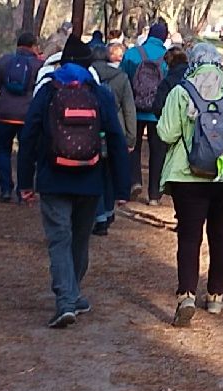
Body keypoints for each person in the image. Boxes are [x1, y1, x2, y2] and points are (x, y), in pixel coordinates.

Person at [16, 39, 134, 329]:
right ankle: (73, 293)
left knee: (59, 239)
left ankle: (66, 299)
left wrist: (24, 181)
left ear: (61, 63)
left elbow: (28, 135)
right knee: (80, 240)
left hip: (53, 178)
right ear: (87, 64)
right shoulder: (99, 94)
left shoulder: (47, 92)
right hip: (90, 179)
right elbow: (117, 141)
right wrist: (121, 187)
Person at [155, 43, 223, 327]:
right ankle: (215, 296)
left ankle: (187, 295)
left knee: (189, 237)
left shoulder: (180, 92)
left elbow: (166, 134)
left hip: (187, 177)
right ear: (219, 63)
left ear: (192, 63)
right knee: (220, 233)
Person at [0, 33, 43, 203]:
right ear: (33, 46)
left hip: (5, 114)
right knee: (26, 152)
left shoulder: (5, 61)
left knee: (3, 150)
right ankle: (23, 190)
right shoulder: (38, 64)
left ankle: (5, 188)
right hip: (28, 116)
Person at [90, 42, 138, 235]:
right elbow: (129, 109)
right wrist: (131, 138)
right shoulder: (122, 78)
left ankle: (99, 215)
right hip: (114, 130)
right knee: (110, 173)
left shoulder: (88, 76)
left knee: (96, 173)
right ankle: (108, 212)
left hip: (93, 130)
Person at [121, 23, 171, 201]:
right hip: (158, 112)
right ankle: (154, 194)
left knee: (133, 147)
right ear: (164, 37)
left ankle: (135, 181)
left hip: (134, 109)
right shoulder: (168, 57)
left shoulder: (132, 54)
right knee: (157, 151)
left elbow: (123, 79)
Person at [140, 45, 189, 206]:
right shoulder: (191, 79)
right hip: (187, 127)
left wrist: (164, 118)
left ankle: (154, 195)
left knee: (157, 158)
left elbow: (157, 105)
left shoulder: (167, 81)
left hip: (164, 126)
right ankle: (181, 205)